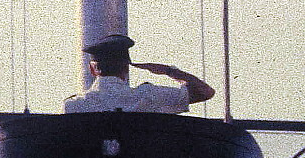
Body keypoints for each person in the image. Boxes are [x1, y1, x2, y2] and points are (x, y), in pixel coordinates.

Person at [63, 34, 214, 114]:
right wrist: (169, 71)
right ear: (126, 67)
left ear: (92, 69)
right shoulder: (148, 96)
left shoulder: (72, 106)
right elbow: (205, 92)